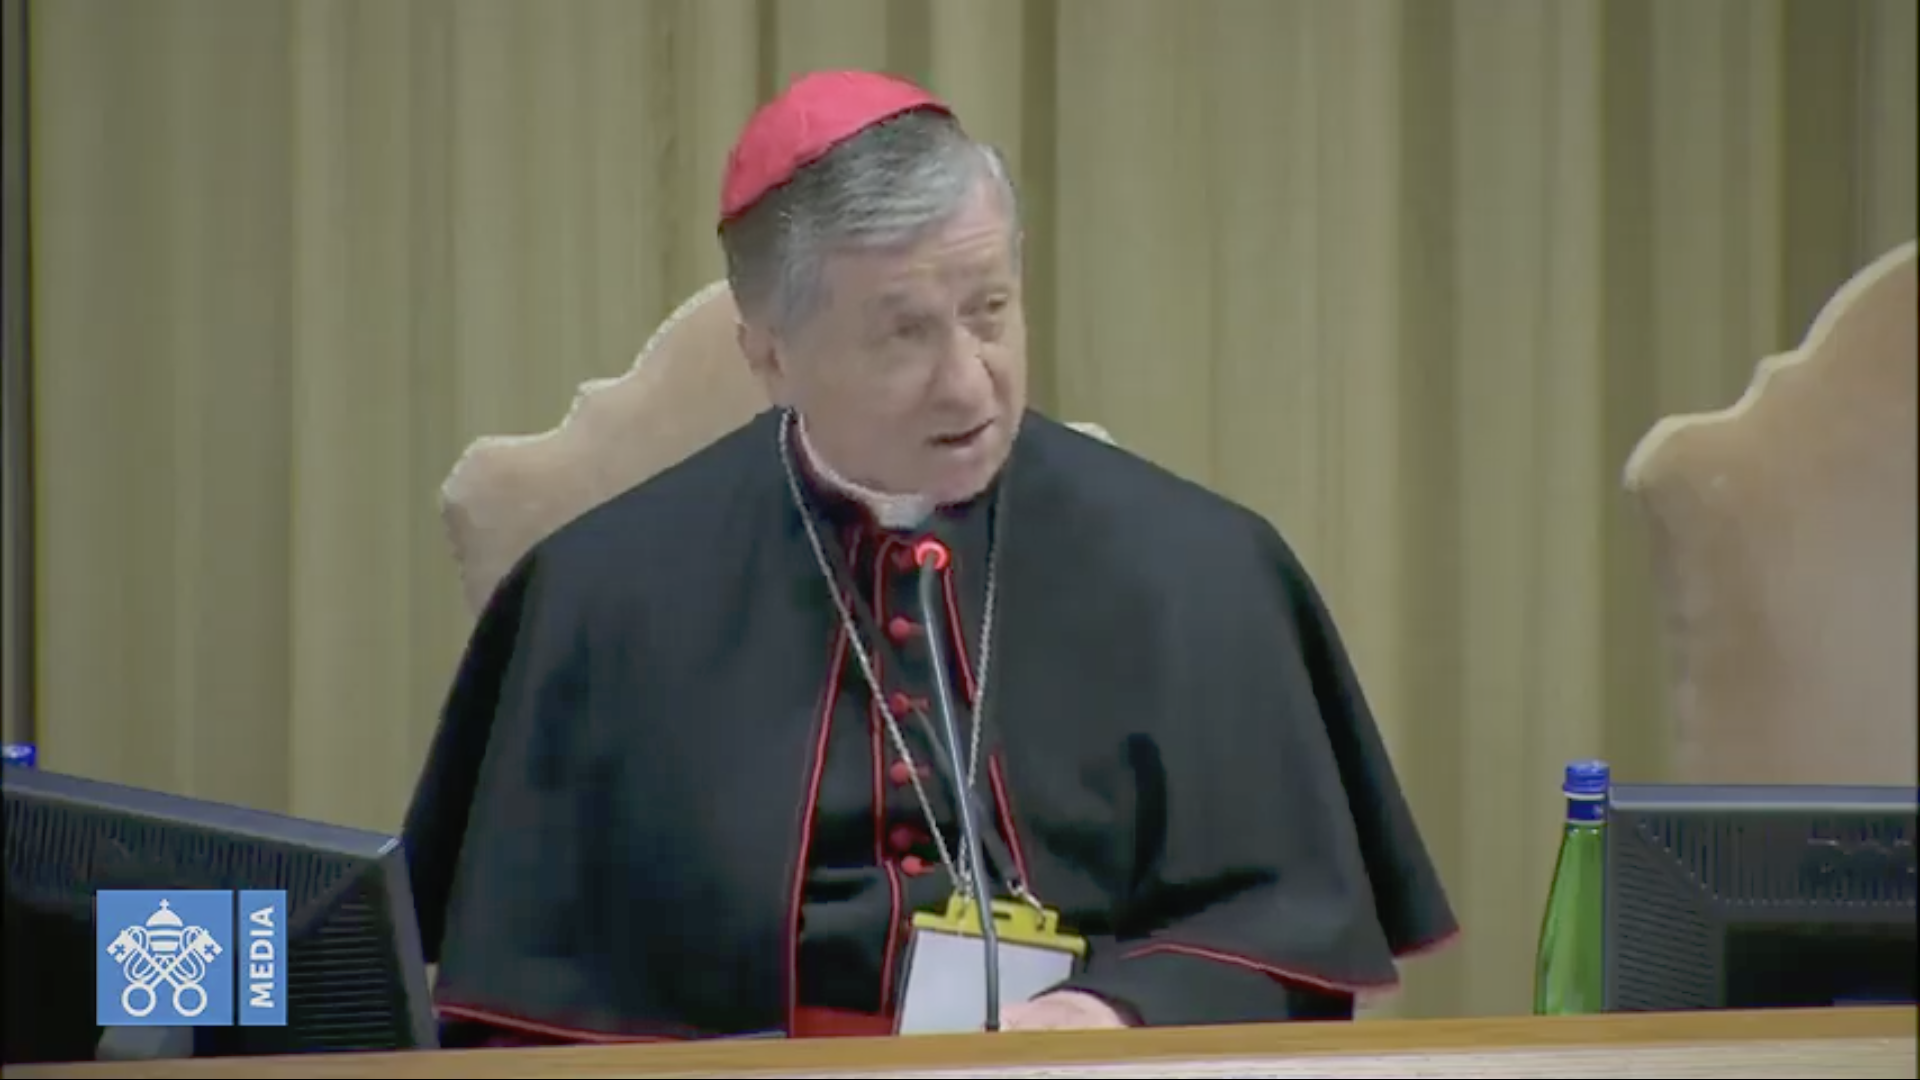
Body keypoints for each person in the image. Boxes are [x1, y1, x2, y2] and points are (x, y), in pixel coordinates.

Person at [402, 69, 1458, 1046]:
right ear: (769, 356)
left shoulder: (1202, 570)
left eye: (989, 310)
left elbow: (1290, 928)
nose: (968, 382)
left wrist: (1113, 1011)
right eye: (903, 335)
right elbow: (525, 999)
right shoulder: (600, 598)